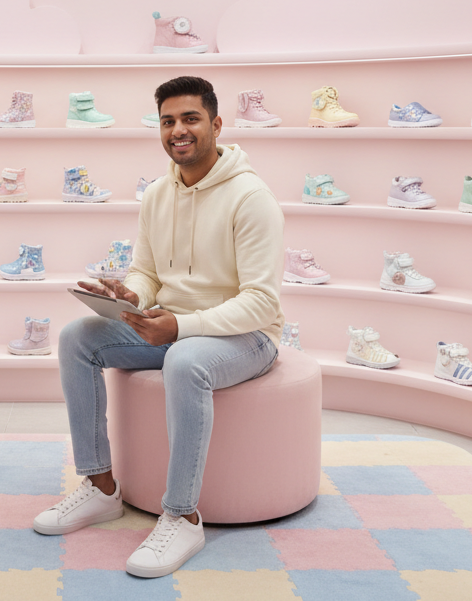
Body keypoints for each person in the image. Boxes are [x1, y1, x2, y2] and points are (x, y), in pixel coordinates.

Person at [32, 75, 285, 578]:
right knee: (76, 337)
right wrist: (132, 296)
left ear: (215, 124)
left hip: (247, 337)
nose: (178, 131)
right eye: (168, 121)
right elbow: (147, 272)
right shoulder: (156, 195)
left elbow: (260, 302)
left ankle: (182, 515)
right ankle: (100, 488)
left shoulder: (252, 198)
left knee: (186, 361)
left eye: (190, 119)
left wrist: (182, 328)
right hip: (171, 324)